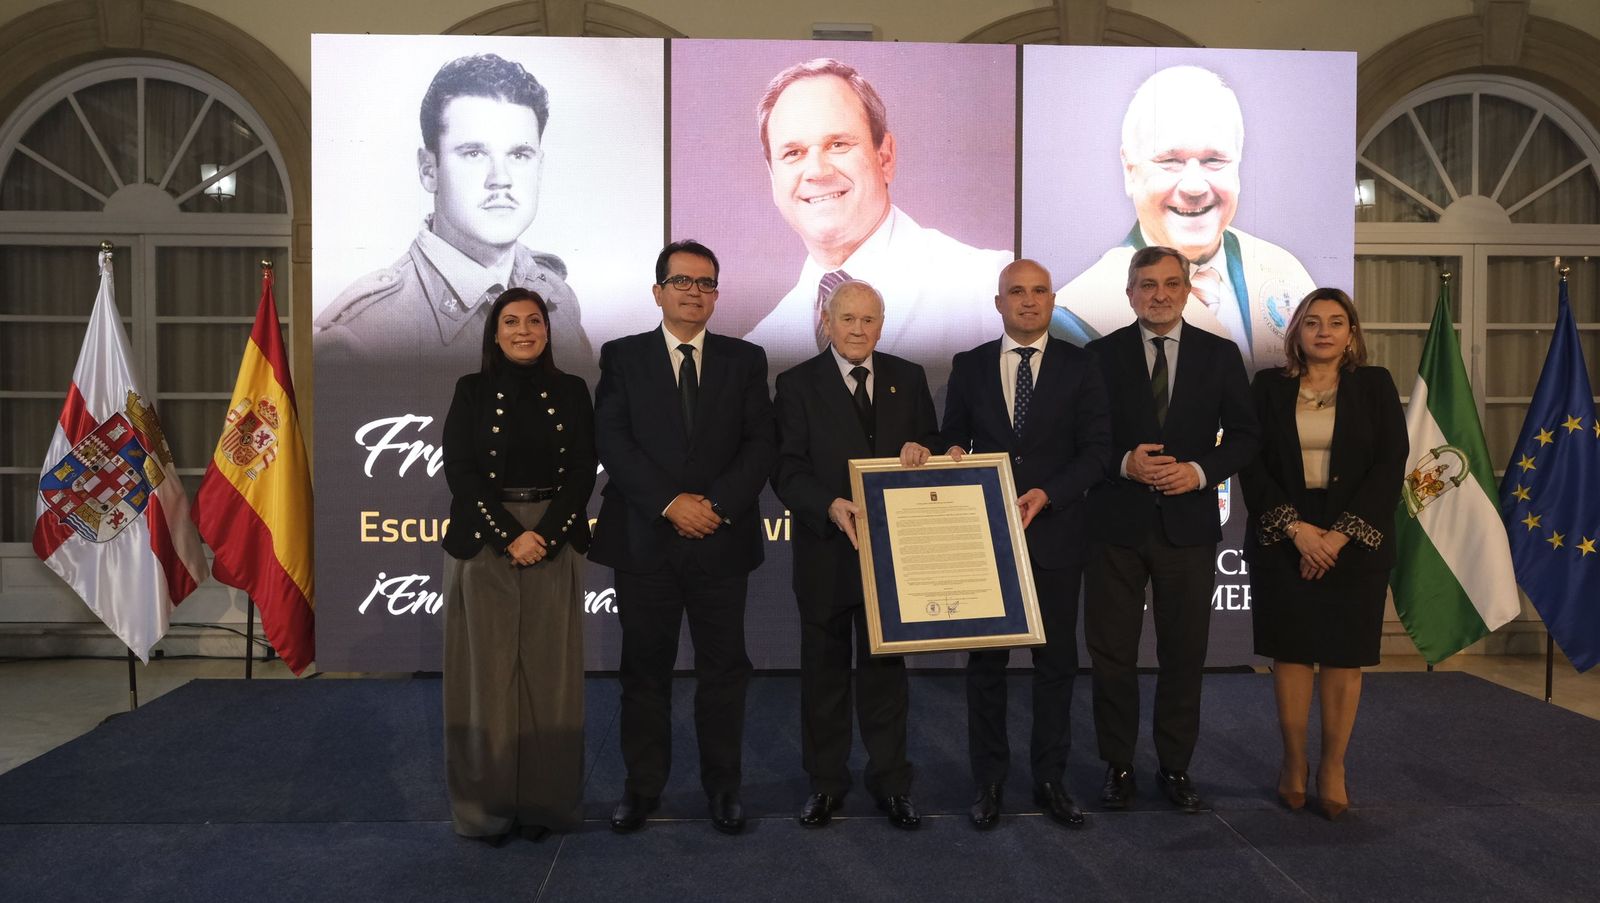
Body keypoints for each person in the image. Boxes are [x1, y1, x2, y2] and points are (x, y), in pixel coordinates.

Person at [590, 240, 777, 835]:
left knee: (724, 672)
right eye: (683, 282)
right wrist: (671, 504)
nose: (695, 292)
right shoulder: (622, 357)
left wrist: (714, 506)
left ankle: (724, 789)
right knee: (645, 672)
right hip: (646, 542)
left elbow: (760, 446)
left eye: (706, 283)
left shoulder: (746, 360)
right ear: (658, 292)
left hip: (721, 540)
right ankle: (642, 788)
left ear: (717, 294)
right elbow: (613, 441)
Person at [1083, 245, 1259, 813]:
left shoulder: (1221, 355)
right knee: (1111, 654)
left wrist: (1201, 471)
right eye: (1147, 284)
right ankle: (1119, 764)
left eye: (1170, 283)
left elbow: (1246, 436)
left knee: (1185, 653)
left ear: (1187, 290)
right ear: (1130, 292)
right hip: (1115, 525)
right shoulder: (1097, 357)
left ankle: (1176, 767)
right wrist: (1122, 463)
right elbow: (1081, 441)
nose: (1159, 294)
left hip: (1189, 527)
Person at [940, 259, 1113, 829]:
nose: (1029, 301)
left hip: (1058, 535)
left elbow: (1095, 451)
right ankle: (988, 782)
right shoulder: (967, 367)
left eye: (1039, 292)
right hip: (986, 540)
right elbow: (952, 438)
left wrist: (1049, 493)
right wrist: (953, 455)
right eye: (1017, 292)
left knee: (1055, 665)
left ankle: (1049, 780)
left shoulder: (1081, 366)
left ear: (1053, 300)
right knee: (986, 668)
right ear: (999, 303)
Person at [771, 279, 942, 831]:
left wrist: (925, 452)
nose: (858, 330)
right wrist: (829, 505)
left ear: (881, 324)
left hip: (893, 559)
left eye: (869, 320)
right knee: (823, 678)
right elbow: (786, 470)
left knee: (886, 678)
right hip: (826, 553)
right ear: (827, 320)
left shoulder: (908, 378)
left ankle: (892, 784)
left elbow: (932, 447)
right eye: (848, 319)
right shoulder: (796, 384)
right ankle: (825, 785)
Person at [1238, 288, 1406, 820]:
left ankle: (1333, 765)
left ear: (1351, 333)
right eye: (1312, 322)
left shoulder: (1374, 386)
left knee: (1341, 655)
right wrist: (1298, 532)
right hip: (1286, 539)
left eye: (1336, 322)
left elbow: (1389, 465)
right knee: (1291, 654)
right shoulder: (1267, 387)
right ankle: (1293, 762)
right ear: (1297, 334)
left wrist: (1335, 537)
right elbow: (1253, 465)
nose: (1324, 331)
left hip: (1353, 543)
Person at [316, 53, 593, 375]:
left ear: (539, 167)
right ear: (428, 169)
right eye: (474, 153)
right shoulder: (365, 335)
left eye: (519, 154)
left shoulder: (557, 299)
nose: (500, 178)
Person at [438, 286, 596, 846]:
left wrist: (544, 536)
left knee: (551, 679)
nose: (524, 330)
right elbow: (459, 469)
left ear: (548, 331)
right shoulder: (472, 390)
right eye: (511, 322)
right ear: (495, 332)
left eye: (534, 320)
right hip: (486, 542)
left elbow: (583, 470)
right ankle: (487, 810)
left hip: (551, 539)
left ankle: (546, 806)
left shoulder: (574, 391)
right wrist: (510, 535)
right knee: (485, 679)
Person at [743, 57, 1012, 377]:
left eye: (838, 144)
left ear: (885, 157)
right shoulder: (760, 345)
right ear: (773, 176)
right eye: (793, 153)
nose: (816, 171)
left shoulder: (989, 286)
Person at [1054, 65, 1315, 372]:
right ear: (1130, 170)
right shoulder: (1079, 311)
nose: (1194, 186)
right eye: (1170, 161)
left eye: (1214, 160)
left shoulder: (1284, 273)